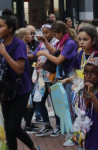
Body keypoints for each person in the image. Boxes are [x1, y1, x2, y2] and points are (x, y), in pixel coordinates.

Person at [0, 8, 41, 150]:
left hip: (20, 90)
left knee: (14, 126)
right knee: (8, 128)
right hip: (5, 90)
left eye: (1, 26)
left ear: (10, 28)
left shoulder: (19, 44)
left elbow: (19, 69)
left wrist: (4, 53)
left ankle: (33, 148)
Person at [36, 21, 78, 136]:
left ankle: (74, 133)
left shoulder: (70, 43)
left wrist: (44, 53)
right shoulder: (63, 41)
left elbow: (58, 60)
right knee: (66, 104)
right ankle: (72, 131)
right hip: (65, 74)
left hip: (70, 74)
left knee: (70, 105)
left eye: (54, 35)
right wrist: (45, 41)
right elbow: (54, 52)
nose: (54, 38)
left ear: (60, 32)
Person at [28, 20, 59, 137]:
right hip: (41, 78)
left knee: (56, 101)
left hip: (53, 77)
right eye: (43, 32)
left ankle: (59, 126)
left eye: (47, 32)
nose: (44, 35)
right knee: (39, 100)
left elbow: (54, 54)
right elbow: (34, 55)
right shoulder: (41, 44)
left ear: (53, 32)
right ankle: (47, 125)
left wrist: (45, 42)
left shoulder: (57, 43)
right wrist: (22, 56)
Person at [73, 57, 98, 150]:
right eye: (86, 73)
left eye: (93, 73)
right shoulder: (82, 91)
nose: (88, 76)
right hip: (86, 135)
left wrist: (92, 94)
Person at [14, 28, 40, 134]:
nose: (32, 36)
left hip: (27, 77)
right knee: (31, 101)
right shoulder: (22, 46)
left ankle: (26, 123)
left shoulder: (20, 45)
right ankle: (26, 125)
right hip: (27, 78)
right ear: (24, 36)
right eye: (30, 34)